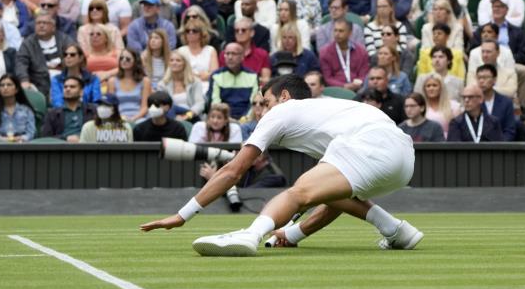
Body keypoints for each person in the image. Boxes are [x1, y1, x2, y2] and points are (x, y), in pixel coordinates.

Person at [141, 74, 423, 256]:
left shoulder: (283, 111)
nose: (261, 110)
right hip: (403, 160)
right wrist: (293, 233)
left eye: (266, 102)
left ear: (284, 96)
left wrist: (182, 215)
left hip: (372, 144)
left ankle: (250, 235)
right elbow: (334, 200)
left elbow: (233, 171)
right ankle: (397, 231)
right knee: (319, 190)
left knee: (297, 191)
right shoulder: (330, 115)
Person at [16, 13, 76, 97]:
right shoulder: (28, 43)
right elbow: (21, 63)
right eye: (38, 23)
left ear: (53, 27)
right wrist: (24, 80)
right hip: (38, 83)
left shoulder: (64, 39)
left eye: (45, 23)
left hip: (64, 81)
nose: (41, 26)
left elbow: (75, 57)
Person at [208, 42, 259, 119]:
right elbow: (215, 104)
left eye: (234, 54)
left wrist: (245, 118)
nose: (230, 57)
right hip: (223, 119)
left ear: (242, 56)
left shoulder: (253, 76)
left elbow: (254, 103)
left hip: (247, 119)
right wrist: (226, 119)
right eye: (227, 54)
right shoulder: (216, 76)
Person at [41, 75, 96, 142]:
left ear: (81, 92)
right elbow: (46, 138)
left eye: (72, 87)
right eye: (65, 87)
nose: (68, 89)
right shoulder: (52, 114)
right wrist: (66, 139)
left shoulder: (93, 110)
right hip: (61, 148)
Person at [0, 73, 36, 142]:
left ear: (16, 89)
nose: (5, 88)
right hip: (0, 147)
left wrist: (21, 138)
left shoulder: (26, 110)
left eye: (9, 85)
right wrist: (3, 139)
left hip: (22, 146)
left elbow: (31, 133)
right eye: (2, 85)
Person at [476, 64, 518, 142]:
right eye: (479, 78)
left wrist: (500, 147)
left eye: (485, 78)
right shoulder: (474, 102)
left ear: (494, 80)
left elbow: (510, 130)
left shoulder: (506, 102)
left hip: (501, 147)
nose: (481, 81)